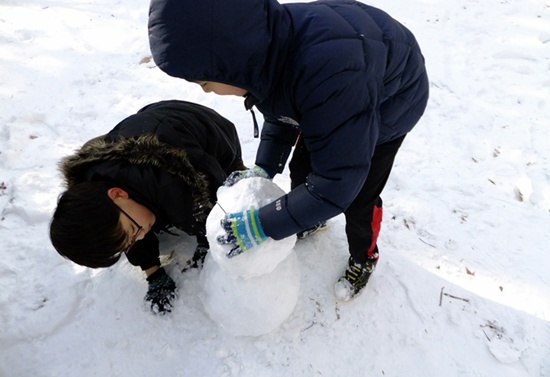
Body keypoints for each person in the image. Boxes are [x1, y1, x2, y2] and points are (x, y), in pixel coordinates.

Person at [148, 0, 429, 301]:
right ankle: (311, 217)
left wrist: (263, 224)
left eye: (204, 82)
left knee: (359, 195)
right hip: (343, 87)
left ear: (229, 61)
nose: (205, 90)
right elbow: (282, 109)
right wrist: (263, 168)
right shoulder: (265, 47)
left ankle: (365, 255)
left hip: (392, 103)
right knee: (304, 169)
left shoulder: (327, 76)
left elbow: (336, 184)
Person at [50, 100, 246, 314]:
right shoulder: (95, 187)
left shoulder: (179, 186)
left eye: (134, 231)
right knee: (132, 224)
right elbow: (127, 233)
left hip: (214, 137)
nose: (140, 237)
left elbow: (217, 204)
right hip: (150, 123)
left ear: (118, 194)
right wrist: (153, 272)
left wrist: (206, 239)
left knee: (209, 206)